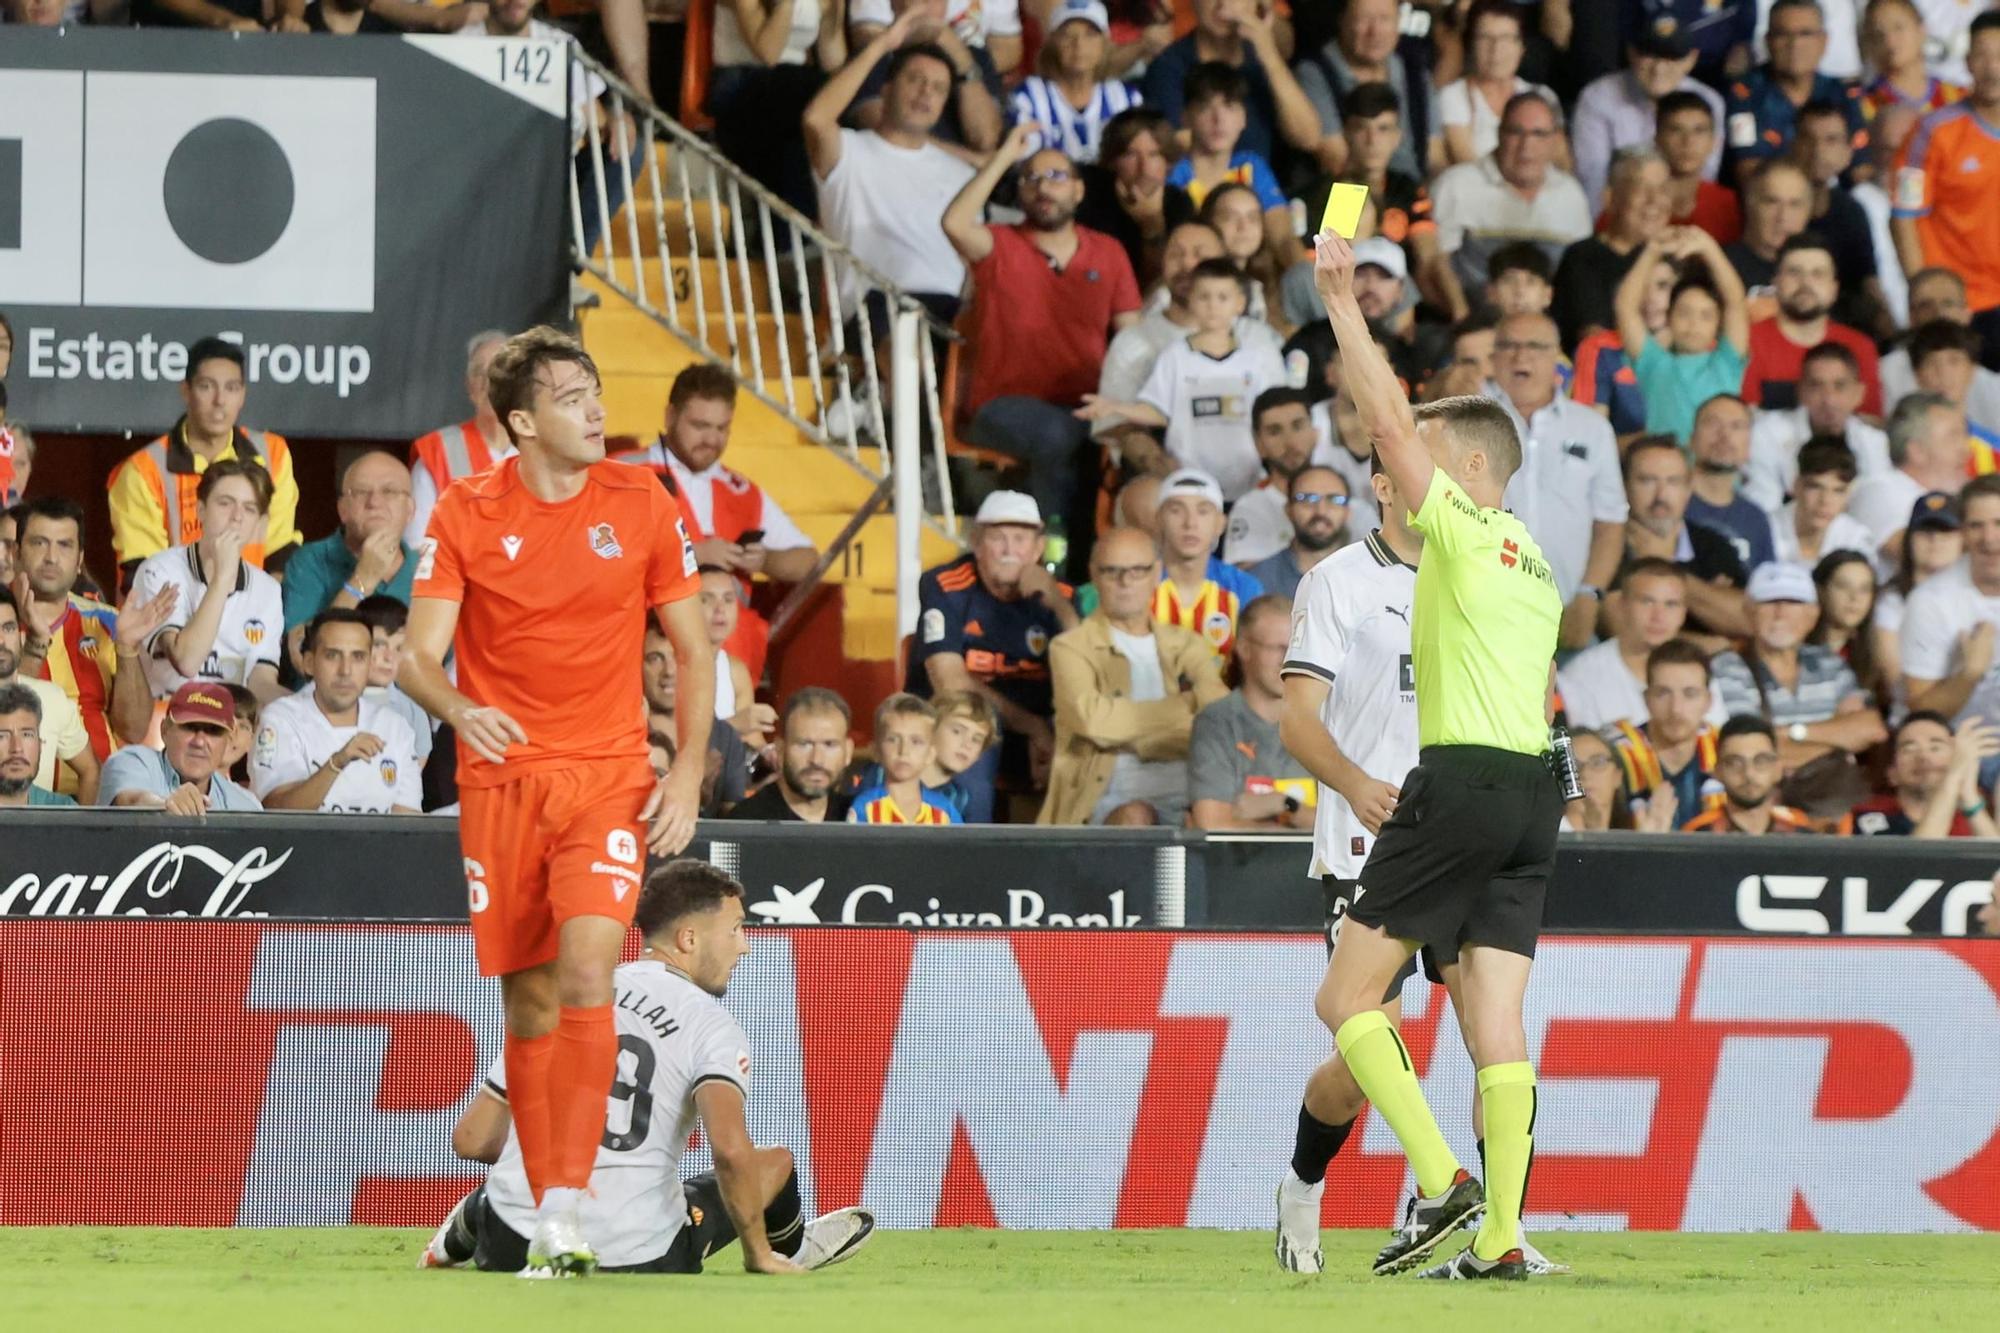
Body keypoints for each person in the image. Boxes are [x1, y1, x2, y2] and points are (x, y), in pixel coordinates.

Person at [400, 327, 712, 1276]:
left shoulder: (644, 498)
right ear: (523, 421)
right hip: (500, 784)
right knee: (531, 1002)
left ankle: (568, 1213)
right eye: (572, 396)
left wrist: (688, 767)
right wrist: (461, 707)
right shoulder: (464, 508)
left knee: (587, 970)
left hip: (608, 775)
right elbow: (415, 656)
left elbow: (695, 649)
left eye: (596, 389)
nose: (595, 409)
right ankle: (542, 1206)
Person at [1294, 228, 1564, 1282]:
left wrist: (1339, 300)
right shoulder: (1531, 556)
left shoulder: (1454, 518)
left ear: (1463, 468)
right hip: (1535, 792)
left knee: (1343, 1001)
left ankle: (1441, 1176)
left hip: (1454, 781)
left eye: (1415, 454)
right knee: (1493, 1022)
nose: (1391, 467)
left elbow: (1383, 412)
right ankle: (1501, 1235)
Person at [421, 859, 875, 1276]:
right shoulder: (710, 1024)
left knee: (521, 1174)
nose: (746, 946)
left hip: (511, 1239)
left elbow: (472, 1138)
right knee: (774, 1162)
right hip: (633, 1253)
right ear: (689, 939)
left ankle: (471, 1220)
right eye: (736, 929)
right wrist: (754, 1254)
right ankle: (787, 1250)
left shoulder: (569, 996)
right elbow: (730, 1152)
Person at [946, 127, 1142, 544]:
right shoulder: (998, 244)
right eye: (1030, 178)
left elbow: (1132, 342)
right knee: (1065, 436)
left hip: (1085, 405)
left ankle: (1089, 555)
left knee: (1121, 436)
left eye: (1055, 177)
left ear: (1078, 190)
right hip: (998, 407)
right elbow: (954, 222)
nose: (1042, 187)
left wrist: (1126, 409)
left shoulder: (1108, 251)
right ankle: (1054, 554)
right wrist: (1003, 156)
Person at [615, 366, 820, 682]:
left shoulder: (742, 489)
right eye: (699, 425)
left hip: (731, 665)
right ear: (670, 416)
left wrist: (764, 559)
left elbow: (807, 561)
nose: (711, 439)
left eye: (722, 428)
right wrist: (692, 554)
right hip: (650, 657)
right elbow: (593, 553)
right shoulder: (624, 472)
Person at [1038, 526, 1227, 826]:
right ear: (1094, 575)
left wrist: (1134, 740)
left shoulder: (1187, 643)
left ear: (1156, 573)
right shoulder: (1070, 647)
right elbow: (1094, 721)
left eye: (1137, 571)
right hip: (1107, 799)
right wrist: (1186, 705)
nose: (1125, 582)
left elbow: (1218, 720)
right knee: (1136, 816)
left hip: (1193, 793)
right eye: (1112, 571)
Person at [910, 490, 1077, 818]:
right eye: (998, 538)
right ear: (976, 543)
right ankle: (974, 862)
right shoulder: (945, 585)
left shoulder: (1063, 596)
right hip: (962, 725)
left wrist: (1058, 605)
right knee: (970, 732)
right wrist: (1033, 727)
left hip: (1037, 731)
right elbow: (951, 685)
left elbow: (1088, 676)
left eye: (1020, 539)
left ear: (1039, 549)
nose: (1009, 551)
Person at [804, 14, 980, 321]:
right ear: (885, 90)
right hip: (873, 312)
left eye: (938, 88)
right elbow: (816, 120)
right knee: (891, 317)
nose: (926, 92)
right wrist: (883, 44)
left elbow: (972, 265)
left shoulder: (963, 176)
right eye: (915, 79)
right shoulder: (848, 151)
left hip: (946, 316)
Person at [1094, 221, 1285, 482]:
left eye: (1199, 253)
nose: (1187, 264)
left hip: (1251, 476)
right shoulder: (1134, 341)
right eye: (1176, 254)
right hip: (1164, 479)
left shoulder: (1257, 340)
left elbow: (1279, 414)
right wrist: (1161, 467)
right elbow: (1120, 427)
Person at [107, 336, 301, 580]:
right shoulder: (143, 470)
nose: (220, 401)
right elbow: (146, 574)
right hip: (172, 611)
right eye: (207, 386)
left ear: (242, 395)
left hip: (254, 608)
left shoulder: (272, 452)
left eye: (231, 388)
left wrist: (258, 610)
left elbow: (280, 554)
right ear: (186, 391)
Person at [1488, 311, 1627, 648]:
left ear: (1557, 358)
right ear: (1493, 358)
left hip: (1568, 611)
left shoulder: (1591, 428)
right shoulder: (1469, 424)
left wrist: (1588, 594)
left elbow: (1610, 522)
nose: (1521, 357)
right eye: (1509, 346)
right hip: (1485, 613)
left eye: (1535, 346)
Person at [10, 495, 163, 759]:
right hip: (21, 794)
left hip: (100, 794)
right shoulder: (4, 619)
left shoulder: (108, 622)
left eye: (65, 546)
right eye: (39, 543)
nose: (52, 557)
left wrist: (127, 648)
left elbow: (134, 730)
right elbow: (7, 711)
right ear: (15, 554)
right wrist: (36, 642)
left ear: (79, 559)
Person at [127, 460, 286, 708]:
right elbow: (187, 662)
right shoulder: (160, 570)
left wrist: (305, 706)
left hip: (231, 725)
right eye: (225, 503)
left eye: (250, 509)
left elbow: (260, 681)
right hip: (167, 716)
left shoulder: (268, 590)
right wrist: (222, 579)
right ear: (201, 511)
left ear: (260, 524)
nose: (236, 517)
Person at [1892, 11, 2000, 368]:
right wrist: (1923, 295)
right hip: (1960, 307)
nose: (1992, 67)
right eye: (1982, 55)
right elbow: (1905, 216)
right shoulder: (1932, 132)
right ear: (1968, 62)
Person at [1711, 560, 1889, 777]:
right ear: (1749, 611)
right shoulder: (1728, 668)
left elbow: (1871, 729)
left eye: (1793, 602)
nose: (1781, 613)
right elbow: (1748, 750)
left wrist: (1791, 733)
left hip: (1829, 800)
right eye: (1770, 601)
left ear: (1813, 615)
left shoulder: (1829, 663)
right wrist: (1838, 749)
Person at [1429, 92, 1592, 318]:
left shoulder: (1570, 194)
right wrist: (1464, 320)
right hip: (1470, 324)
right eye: (1516, 132)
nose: (1527, 145)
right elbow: (1434, 266)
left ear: (1555, 140)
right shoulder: (1456, 185)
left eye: (1539, 134)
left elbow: (1580, 274)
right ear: (1499, 134)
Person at [1293, 81, 1448, 316]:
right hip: (1345, 304)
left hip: (1395, 299)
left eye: (1383, 129)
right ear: (1346, 133)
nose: (1372, 140)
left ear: (1397, 137)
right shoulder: (1342, 190)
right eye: (1361, 128)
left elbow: (1428, 256)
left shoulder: (1405, 188)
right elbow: (1339, 267)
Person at [249, 609, 422, 814]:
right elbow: (276, 809)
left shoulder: (395, 726)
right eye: (332, 656)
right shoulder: (281, 719)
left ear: (369, 664)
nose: (345, 670)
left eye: (358, 657)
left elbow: (408, 821)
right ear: (309, 663)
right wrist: (337, 763)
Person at [1140, 0, 1322, 168]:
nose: (1223, 4)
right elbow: (1184, 155)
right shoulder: (1168, 67)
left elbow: (1309, 139)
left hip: (1274, 192)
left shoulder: (1262, 54)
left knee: (1347, 190)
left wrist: (1268, 53)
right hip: (1213, 195)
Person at [706, 0, 845, 220]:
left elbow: (834, 60)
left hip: (792, 89)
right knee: (801, 93)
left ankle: (795, 233)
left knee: (835, 101)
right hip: (739, 83)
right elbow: (768, 53)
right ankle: (788, 234)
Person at [283, 450, 418, 674]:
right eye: (361, 492)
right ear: (342, 510)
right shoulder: (310, 561)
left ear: (411, 510)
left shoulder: (430, 569)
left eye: (390, 491)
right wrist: (362, 580)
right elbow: (301, 659)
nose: (374, 502)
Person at [1614, 227, 1751, 444]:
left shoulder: (1726, 364)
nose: (1693, 324)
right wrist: (1652, 251)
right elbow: (1626, 307)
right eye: (1684, 313)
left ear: (1718, 325)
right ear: (1668, 319)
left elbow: (1736, 302)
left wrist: (1710, 248)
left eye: (1705, 316)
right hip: (1664, 473)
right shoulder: (1653, 364)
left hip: (1714, 473)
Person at [1188, 596, 1313, 830]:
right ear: (1244, 649)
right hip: (1238, 866)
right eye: (1279, 648)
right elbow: (1212, 824)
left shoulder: (1325, 721)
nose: (1289, 660)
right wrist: (1300, 822)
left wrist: (1283, 804)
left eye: (1297, 648)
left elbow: (1348, 824)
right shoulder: (1217, 723)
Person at [1570, 28, 1723, 212]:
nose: (1658, 68)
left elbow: (1706, 177)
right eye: (1650, 55)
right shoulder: (1598, 96)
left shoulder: (1709, 100)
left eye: (1671, 57)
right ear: (1631, 53)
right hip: (1617, 216)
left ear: (1690, 59)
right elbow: (1593, 180)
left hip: (1689, 216)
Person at [1558, 559, 1716, 731]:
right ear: (1622, 604)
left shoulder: (1697, 671)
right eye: (1647, 601)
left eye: (1671, 604)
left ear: (1684, 613)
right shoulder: (1581, 677)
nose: (1658, 616)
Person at [1722, 0, 1867, 187]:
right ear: (1768, 41)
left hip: (1834, 202)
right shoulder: (1744, 93)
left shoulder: (1843, 93)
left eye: (1805, 34)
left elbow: (1862, 169)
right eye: (1783, 34)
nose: (1794, 44)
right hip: (1773, 201)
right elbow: (1749, 172)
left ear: (1823, 41)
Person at [1741, 233, 1884, 415]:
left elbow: (1871, 424)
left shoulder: (1860, 347)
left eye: (1818, 274)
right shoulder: (1747, 341)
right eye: (1794, 272)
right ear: (1775, 283)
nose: (1806, 283)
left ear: (1834, 289)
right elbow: (1746, 420)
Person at [1901, 473, 2000, 734]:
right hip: (1959, 745)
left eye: (1998, 523)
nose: (1989, 539)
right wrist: (1970, 674)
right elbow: (1921, 712)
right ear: (1963, 533)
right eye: (1976, 526)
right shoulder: (1930, 601)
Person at [1293, 0, 1438, 178]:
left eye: (1384, 19)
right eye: (1363, 19)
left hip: (1411, 195)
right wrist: (1377, 202)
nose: (1374, 32)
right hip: (1344, 189)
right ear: (1342, 21)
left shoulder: (1415, 73)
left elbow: (1436, 158)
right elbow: (1334, 160)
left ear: (1399, 21)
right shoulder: (1314, 73)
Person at [1743, 340, 1891, 514]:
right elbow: (1762, 506)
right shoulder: (1767, 433)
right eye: (1816, 386)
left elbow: (1875, 508)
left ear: (1859, 394)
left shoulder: (1874, 441)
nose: (1829, 399)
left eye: (1840, 386)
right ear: (1800, 392)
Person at [1552, 149, 1673, 355]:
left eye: (1662, 189)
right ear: (1610, 198)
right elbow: (1595, 340)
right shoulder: (1583, 257)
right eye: (1641, 189)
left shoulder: (1677, 257)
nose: (1654, 200)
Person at [1167, 62, 1292, 256]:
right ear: (1186, 118)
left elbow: (1283, 237)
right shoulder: (1174, 176)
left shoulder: (1251, 165)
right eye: (1205, 108)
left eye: (1229, 106)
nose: (1218, 119)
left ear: (1244, 118)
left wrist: (1304, 273)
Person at [1607, 637, 1728, 831]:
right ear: (1646, 699)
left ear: (1708, 701)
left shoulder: (1727, 751)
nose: (1676, 709)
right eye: (1663, 693)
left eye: (1690, 694)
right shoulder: (1614, 755)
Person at [407, 330, 513, 548]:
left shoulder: (545, 450)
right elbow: (417, 546)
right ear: (469, 387)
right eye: (478, 373)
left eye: (499, 370)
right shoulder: (438, 451)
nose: (489, 382)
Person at [1075, 109, 1199, 288]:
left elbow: (1166, 284)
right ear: (1112, 161)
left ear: (1168, 162)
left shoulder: (1179, 203)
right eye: (1131, 154)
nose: (1144, 167)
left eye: (1154, 155)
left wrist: (1152, 225)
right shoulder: (1088, 196)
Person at [98, 681, 262, 813]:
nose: (199, 742)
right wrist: (165, 805)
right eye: (190, 727)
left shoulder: (245, 807)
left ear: (227, 740)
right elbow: (130, 800)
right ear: (164, 730)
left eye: (213, 731)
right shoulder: (132, 761)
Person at [1011, 1, 1142, 166]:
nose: (1079, 45)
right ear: (1052, 42)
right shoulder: (1029, 97)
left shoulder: (1126, 98)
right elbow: (1023, 161)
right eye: (1067, 35)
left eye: (1090, 34)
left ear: (1105, 43)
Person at [1150, 469, 1264, 658]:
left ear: (1220, 524)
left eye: (1203, 511)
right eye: (1176, 511)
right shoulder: (1138, 583)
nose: (1190, 523)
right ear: (1159, 520)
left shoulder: (1243, 588)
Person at [1848, 391, 1971, 564]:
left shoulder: (1959, 498)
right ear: (1917, 451)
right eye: (1953, 437)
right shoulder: (1880, 490)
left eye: (1964, 436)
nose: (1966, 449)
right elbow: (1926, 558)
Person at [1437, 1, 1562, 169]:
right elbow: (1467, 164)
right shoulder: (1453, 96)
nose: (1496, 49)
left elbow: (1561, 160)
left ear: (1522, 47)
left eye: (1506, 39)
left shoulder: (1543, 96)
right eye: (1485, 38)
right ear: (1471, 43)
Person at [0, 588, 97, 802]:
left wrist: (83, 831)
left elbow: (90, 770)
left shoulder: (52, 699)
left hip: (40, 832)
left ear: (21, 636)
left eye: (7, 628)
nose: (1, 641)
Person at [1224, 387, 1337, 566]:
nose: (1290, 442)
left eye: (1298, 426)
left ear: (1316, 433)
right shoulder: (1249, 509)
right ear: (1258, 443)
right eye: (1275, 431)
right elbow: (1247, 583)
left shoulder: (1348, 502)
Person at [644, 623, 748, 814]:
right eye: (655, 658)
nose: (669, 671)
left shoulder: (725, 737)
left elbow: (734, 827)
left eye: (678, 656)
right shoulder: (623, 737)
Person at [1844, 709, 2000, 836]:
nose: (1924, 757)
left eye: (1935, 748)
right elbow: (1915, 867)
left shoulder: (1983, 808)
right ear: (1892, 774)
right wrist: (1952, 778)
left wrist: (1969, 799)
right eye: (1909, 749)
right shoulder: (1869, 814)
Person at [1880, 270, 2000, 429]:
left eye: (1948, 303)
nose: (1938, 313)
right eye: (1925, 305)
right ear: (1911, 317)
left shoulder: (1992, 382)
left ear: (1967, 314)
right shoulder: (1885, 372)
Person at [724, 687, 853, 822]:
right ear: (779, 750)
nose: (817, 760)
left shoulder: (859, 817)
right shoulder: (748, 822)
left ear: (848, 752)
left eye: (829, 745)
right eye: (804, 744)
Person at [1875, 490, 1962, 685]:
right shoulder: (1892, 601)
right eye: (1925, 531)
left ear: (1962, 539)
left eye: (1945, 530)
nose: (1935, 539)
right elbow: (1895, 682)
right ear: (1909, 539)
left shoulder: (1978, 594)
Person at [1683, 395, 1778, 571]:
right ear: (1691, 439)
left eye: (1736, 426)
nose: (1724, 435)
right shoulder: (1669, 502)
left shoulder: (1755, 518)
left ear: (1748, 446)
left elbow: (1765, 590)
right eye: (1713, 423)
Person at [1681, 715, 1815, 833]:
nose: (1748, 773)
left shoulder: (1799, 832)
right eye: (1735, 763)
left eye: (1761, 761)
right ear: (1718, 772)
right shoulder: (1698, 836)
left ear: (1778, 769)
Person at [847, 692, 959, 824]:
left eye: (916, 741)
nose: (904, 751)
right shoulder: (866, 807)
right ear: (876, 751)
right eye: (892, 740)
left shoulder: (944, 811)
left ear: (930, 754)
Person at [1247, 466, 1349, 601]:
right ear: (1288, 510)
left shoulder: (1368, 577)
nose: (1321, 511)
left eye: (1334, 500)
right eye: (1307, 499)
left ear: (1348, 512)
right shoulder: (1258, 582)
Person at [1651, 90, 1741, 243]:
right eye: (1676, 130)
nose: (1688, 142)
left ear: (1714, 142)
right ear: (1657, 140)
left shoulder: (1727, 202)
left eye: (1699, 131)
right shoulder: (1634, 201)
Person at [1773, 438, 1874, 566]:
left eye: (1838, 491)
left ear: (1849, 494)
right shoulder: (1766, 529)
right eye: (1815, 487)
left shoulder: (1856, 540)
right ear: (1796, 485)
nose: (1825, 501)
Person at [1724, 158, 1814, 300]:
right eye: (1771, 202)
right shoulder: (1720, 265)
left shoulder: (1819, 271)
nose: (1782, 216)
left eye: (1794, 205)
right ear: (1750, 203)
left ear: (1808, 211)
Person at [1809, 549, 1889, 706]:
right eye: (1843, 586)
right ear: (1821, 590)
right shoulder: (1795, 650)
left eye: (1864, 589)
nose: (1854, 598)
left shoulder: (1879, 657)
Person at [1909, 319, 2000, 445]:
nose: (1943, 372)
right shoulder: (1902, 446)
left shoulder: (1991, 449)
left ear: (1972, 371)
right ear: (1917, 374)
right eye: (1931, 362)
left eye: (1954, 361)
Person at [920, 688, 996, 821]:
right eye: (957, 731)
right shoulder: (881, 775)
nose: (967, 744)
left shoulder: (964, 801)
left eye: (976, 739)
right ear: (930, 729)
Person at [0, 684, 77, 809]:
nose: (17, 748)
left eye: (27, 735)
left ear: (40, 745)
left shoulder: (64, 812)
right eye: (2, 736)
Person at [1562, 728, 1629, 832]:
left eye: (1598, 762)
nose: (1585, 773)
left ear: (1617, 776)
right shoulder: (1546, 836)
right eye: (1573, 765)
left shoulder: (1629, 840)